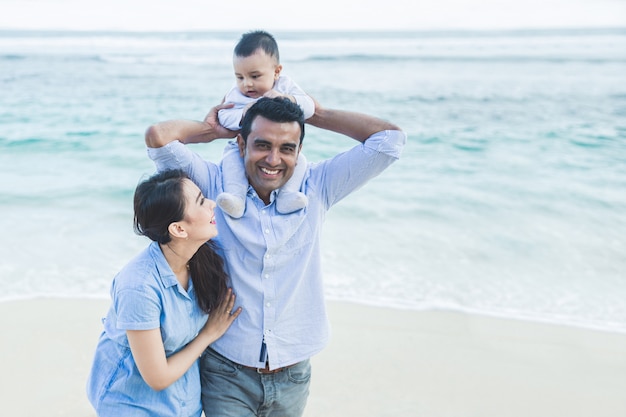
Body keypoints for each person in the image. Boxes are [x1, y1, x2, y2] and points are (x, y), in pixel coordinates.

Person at [145, 96, 406, 416]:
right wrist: (210, 130)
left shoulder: (318, 185)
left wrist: (316, 113)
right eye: (262, 144)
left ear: (298, 151)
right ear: (241, 144)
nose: (273, 159)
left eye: (287, 148)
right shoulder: (214, 185)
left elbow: (389, 140)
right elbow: (158, 138)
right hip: (226, 370)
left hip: (293, 373)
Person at [86, 169, 242, 417]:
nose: (213, 203)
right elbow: (157, 377)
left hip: (184, 403)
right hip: (130, 405)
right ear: (179, 229)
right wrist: (208, 334)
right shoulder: (139, 286)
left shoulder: (203, 258)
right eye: (201, 201)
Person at [217, 30, 313, 218]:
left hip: (277, 142)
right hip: (242, 146)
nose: (247, 84)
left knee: (299, 161)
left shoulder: (285, 86)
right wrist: (243, 114)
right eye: (240, 77)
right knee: (230, 161)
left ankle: (288, 196)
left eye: (255, 76)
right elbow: (224, 116)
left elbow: (309, 107)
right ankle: (236, 199)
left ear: (276, 72)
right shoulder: (237, 95)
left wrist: (288, 99)